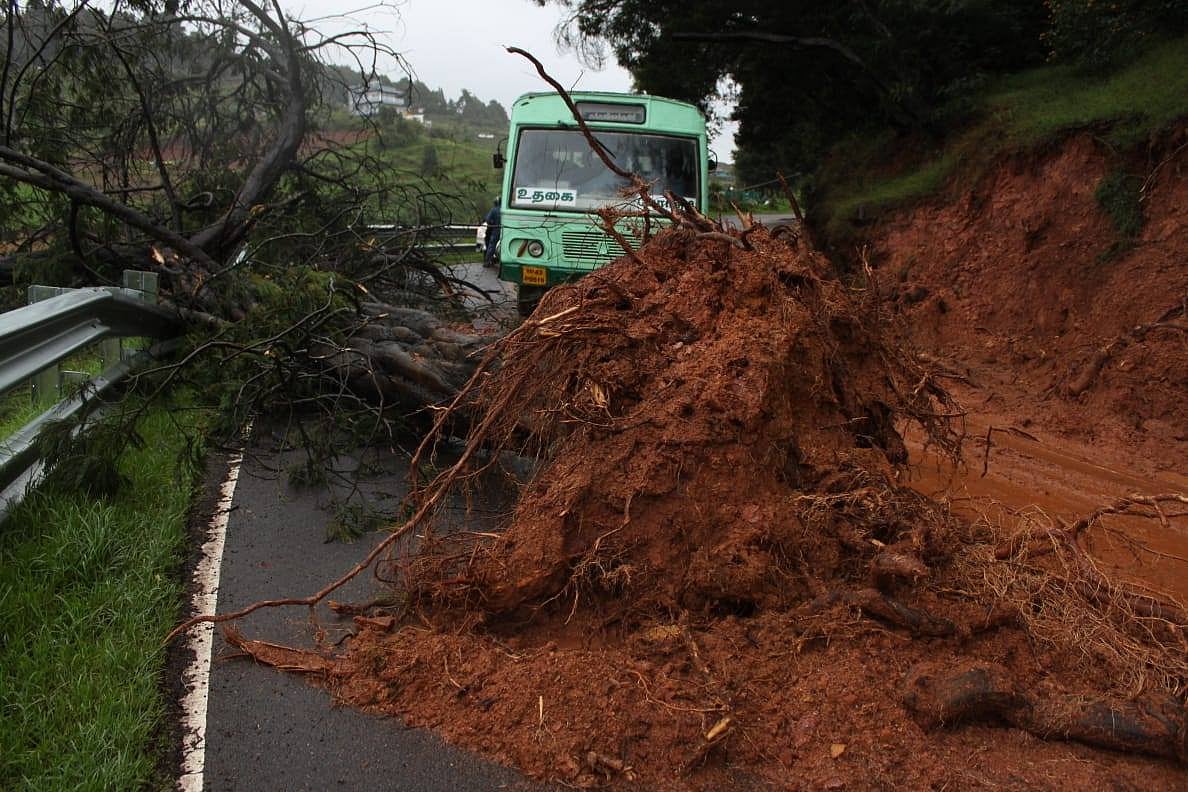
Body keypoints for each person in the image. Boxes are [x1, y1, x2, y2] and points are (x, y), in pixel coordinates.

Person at [483, 198, 501, 268]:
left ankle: (487, 262)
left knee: (492, 246)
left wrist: (492, 223)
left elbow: (488, 219)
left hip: (496, 229)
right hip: (505, 230)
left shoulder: (493, 210)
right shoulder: (504, 209)